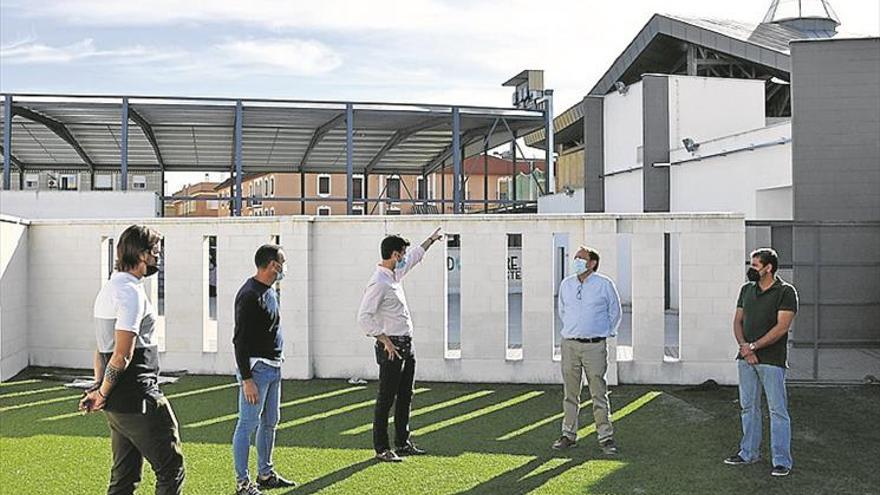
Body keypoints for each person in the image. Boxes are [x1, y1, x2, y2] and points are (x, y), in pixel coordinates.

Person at [80, 225, 185, 495]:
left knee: (124, 478)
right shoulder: (130, 293)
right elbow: (122, 354)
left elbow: (100, 346)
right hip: (139, 397)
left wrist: (98, 389)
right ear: (140, 254)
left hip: (118, 405)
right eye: (155, 252)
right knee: (171, 469)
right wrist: (101, 392)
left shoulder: (109, 289)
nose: (157, 258)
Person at [357, 228, 443, 462]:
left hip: (407, 346)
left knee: (406, 395)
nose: (404, 257)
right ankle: (382, 448)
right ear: (394, 255)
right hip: (391, 348)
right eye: (402, 253)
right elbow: (364, 317)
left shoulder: (395, 274)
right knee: (386, 398)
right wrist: (384, 340)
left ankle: (402, 443)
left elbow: (415, 257)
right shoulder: (379, 282)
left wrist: (432, 240)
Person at [724, 248, 798, 477]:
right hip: (746, 359)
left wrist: (754, 347)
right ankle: (748, 453)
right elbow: (738, 321)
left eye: (756, 265)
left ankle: (781, 461)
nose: (751, 269)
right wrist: (746, 349)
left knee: (777, 410)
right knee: (748, 407)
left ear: (769, 268)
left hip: (772, 361)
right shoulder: (746, 290)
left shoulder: (786, 292)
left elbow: (781, 328)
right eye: (752, 264)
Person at [231, 244, 296, 495]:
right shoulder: (249, 295)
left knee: (270, 422)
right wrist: (246, 379)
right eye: (282, 262)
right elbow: (239, 340)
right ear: (273, 265)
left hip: (274, 367)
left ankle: (265, 474)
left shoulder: (270, 291)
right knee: (246, 425)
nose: (284, 267)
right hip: (256, 371)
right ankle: (242, 483)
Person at [552, 246, 622, 455]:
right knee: (570, 393)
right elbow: (563, 310)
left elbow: (615, 311)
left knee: (598, 392)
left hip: (595, 346)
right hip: (570, 344)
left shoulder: (604, 284)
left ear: (592, 263)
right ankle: (568, 435)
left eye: (581, 258)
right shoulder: (567, 284)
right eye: (576, 258)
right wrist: (574, 330)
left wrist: (604, 332)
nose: (576, 261)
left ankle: (605, 437)